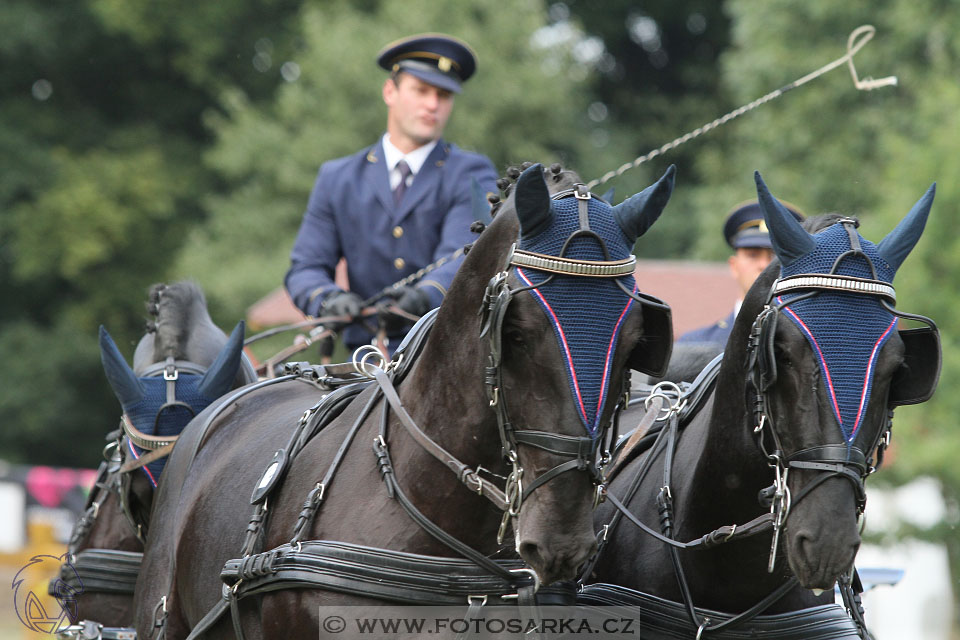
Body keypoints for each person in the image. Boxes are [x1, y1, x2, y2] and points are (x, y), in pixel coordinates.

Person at [285, 33, 498, 353]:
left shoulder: (472, 173)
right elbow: (305, 268)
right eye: (421, 90)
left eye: (443, 95)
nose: (432, 104)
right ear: (390, 91)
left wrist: (425, 295)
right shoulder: (337, 177)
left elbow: (466, 256)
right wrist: (328, 299)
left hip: (445, 357)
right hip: (363, 361)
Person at [677, 199, 804, 346]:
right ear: (734, 266)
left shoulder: (816, 348)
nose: (764, 265)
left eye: (775, 256)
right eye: (753, 255)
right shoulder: (695, 345)